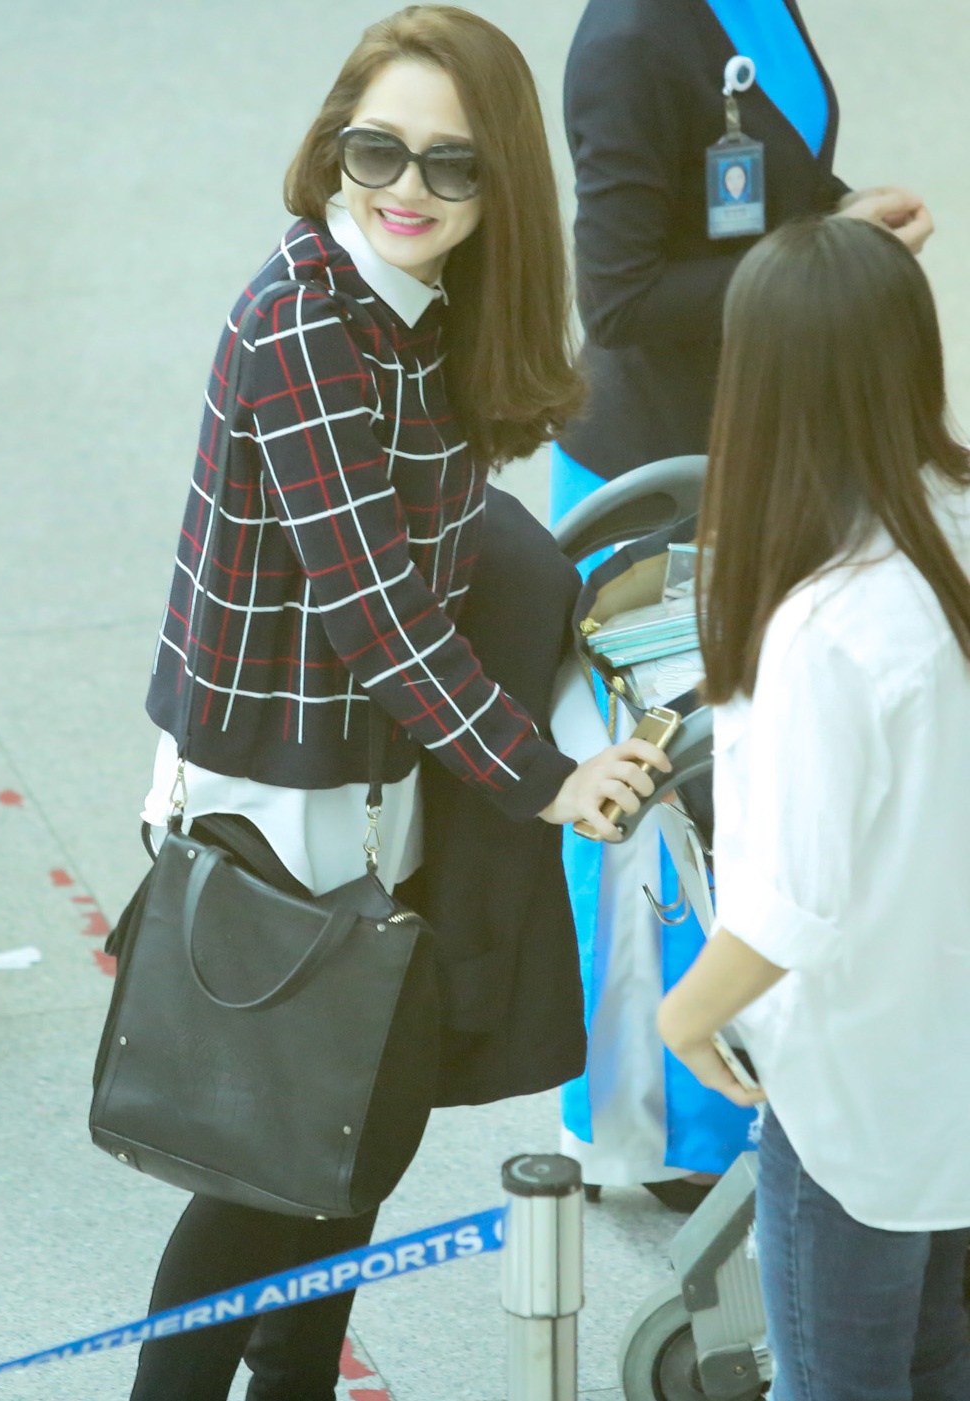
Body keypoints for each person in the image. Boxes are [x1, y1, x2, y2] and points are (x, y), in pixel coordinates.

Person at [124, 8, 672, 1399]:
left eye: (451, 163)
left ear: (500, 186)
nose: (407, 188)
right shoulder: (303, 322)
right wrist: (545, 774)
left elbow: (445, 537)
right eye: (378, 150)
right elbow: (376, 608)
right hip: (279, 793)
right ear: (333, 149)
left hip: (365, 773)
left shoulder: (414, 307)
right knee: (272, 1167)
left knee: (349, 1145)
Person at [551, 0, 935, 1210]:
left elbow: (760, 179)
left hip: (764, 437)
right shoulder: (625, 42)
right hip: (663, 473)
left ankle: (736, 1091)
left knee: (764, 793)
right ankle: (659, 1131)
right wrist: (817, 262)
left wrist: (839, 217)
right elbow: (618, 298)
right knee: (666, 807)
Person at [658, 214, 970, 1400]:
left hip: (852, 1099)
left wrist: (683, 1018)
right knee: (937, 1357)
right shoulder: (949, 518)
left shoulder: (825, 626)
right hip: (945, 1063)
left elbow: (790, 910)